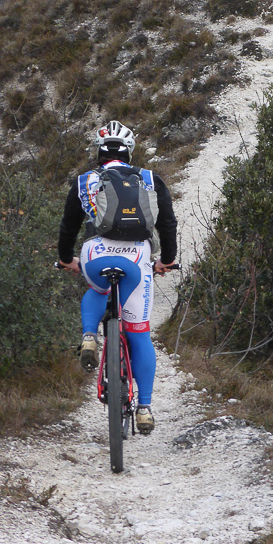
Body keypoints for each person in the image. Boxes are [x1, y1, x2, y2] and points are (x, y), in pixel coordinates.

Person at [57, 120, 178, 434]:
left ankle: (89, 335)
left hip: (95, 253)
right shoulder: (150, 179)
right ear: (130, 151)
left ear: (99, 152)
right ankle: (145, 408)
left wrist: (66, 259)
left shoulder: (84, 181)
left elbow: (68, 227)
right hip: (137, 258)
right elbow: (168, 224)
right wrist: (166, 260)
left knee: (98, 290)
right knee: (139, 334)